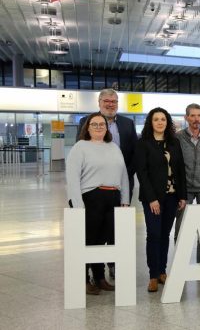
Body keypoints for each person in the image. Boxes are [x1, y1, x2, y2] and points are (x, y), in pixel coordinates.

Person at [66, 112, 129, 295]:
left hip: (113, 198)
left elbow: (123, 174)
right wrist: (78, 206)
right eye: (95, 124)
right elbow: (73, 178)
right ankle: (85, 280)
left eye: (102, 124)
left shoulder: (113, 147)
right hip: (91, 198)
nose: (99, 127)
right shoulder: (80, 147)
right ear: (87, 127)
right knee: (88, 240)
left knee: (104, 241)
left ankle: (100, 278)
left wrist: (124, 199)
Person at [77, 88, 138, 279]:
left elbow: (134, 155)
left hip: (121, 186)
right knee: (93, 230)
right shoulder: (86, 122)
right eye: (107, 101)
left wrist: (121, 178)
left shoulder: (128, 124)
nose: (111, 104)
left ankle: (113, 264)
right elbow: (80, 154)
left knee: (115, 228)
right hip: (93, 188)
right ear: (99, 103)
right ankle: (90, 272)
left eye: (114, 101)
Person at [135, 107, 187, 293]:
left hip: (172, 197)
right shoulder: (143, 144)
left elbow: (180, 170)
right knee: (154, 234)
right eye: (156, 119)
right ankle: (153, 275)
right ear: (151, 122)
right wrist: (152, 199)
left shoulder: (174, 143)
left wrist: (182, 195)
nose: (159, 122)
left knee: (164, 234)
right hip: (153, 200)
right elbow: (142, 174)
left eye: (163, 119)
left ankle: (162, 271)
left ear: (167, 122)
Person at [175, 103, 200, 263]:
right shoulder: (178, 138)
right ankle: (180, 264)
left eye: (199, 115)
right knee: (181, 226)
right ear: (186, 118)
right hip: (185, 190)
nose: (196, 119)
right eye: (192, 115)